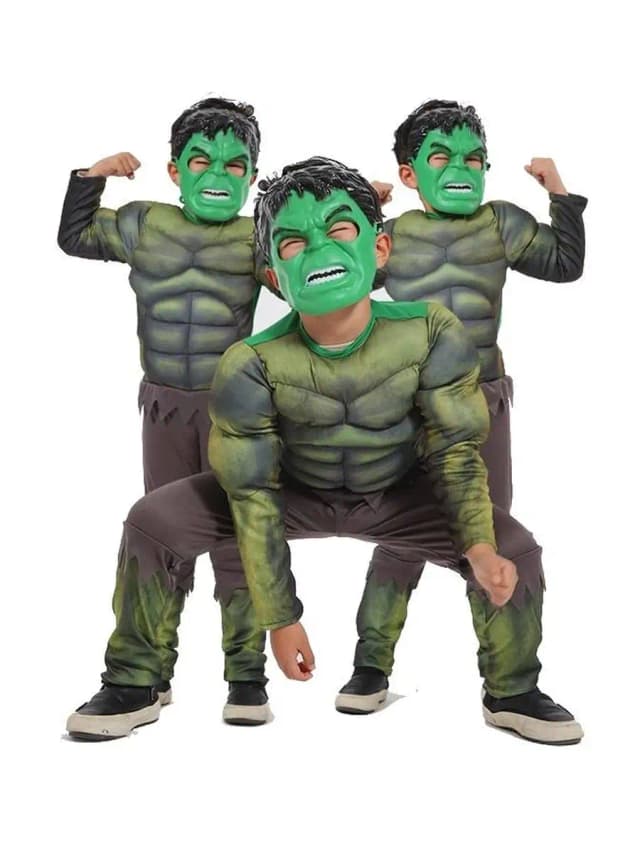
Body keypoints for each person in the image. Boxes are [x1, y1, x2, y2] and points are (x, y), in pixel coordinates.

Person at [66, 157, 582, 746]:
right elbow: (253, 493)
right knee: (152, 521)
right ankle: (135, 680)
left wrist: (481, 548)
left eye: (339, 229)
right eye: (292, 241)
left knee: (517, 548)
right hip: (294, 493)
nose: (319, 248)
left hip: (397, 495)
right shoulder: (250, 363)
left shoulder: (430, 331)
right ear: (273, 274)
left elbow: (455, 452)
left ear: (379, 248)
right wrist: (282, 617)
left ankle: (513, 690)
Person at [58, 97, 279, 724]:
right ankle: (147, 676)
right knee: (161, 531)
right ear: (176, 170)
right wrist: (93, 176)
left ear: (251, 176)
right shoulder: (144, 224)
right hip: (164, 406)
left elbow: (326, 283)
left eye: (235, 166)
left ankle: (247, 676)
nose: (218, 175)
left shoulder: (256, 237)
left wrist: (357, 213)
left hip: (234, 410)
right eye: (202, 161)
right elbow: (76, 237)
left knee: (241, 536)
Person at [373, 98, 587, 511]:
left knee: (490, 517)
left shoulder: (499, 224)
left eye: (472, 159)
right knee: (406, 519)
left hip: (482, 389)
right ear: (409, 174)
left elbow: (565, 264)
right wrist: (358, 217)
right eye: (441, 157)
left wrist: (557, 190)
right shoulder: (391, 236)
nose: (460, 169)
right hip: (408, 397)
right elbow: (335, 288)